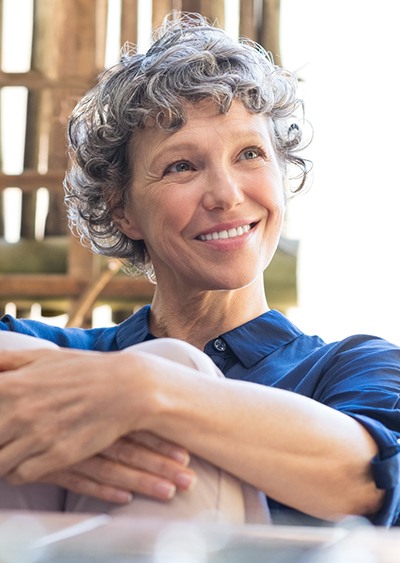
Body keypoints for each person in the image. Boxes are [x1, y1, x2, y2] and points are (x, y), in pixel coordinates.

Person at [0, 12, 399, 527]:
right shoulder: (63, 353)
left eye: (250, 154)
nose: (227, 195)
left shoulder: (350, 369)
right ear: (123, 209)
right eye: (181, 166)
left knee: (171, 364)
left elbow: (371, 479)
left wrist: (154, 389)